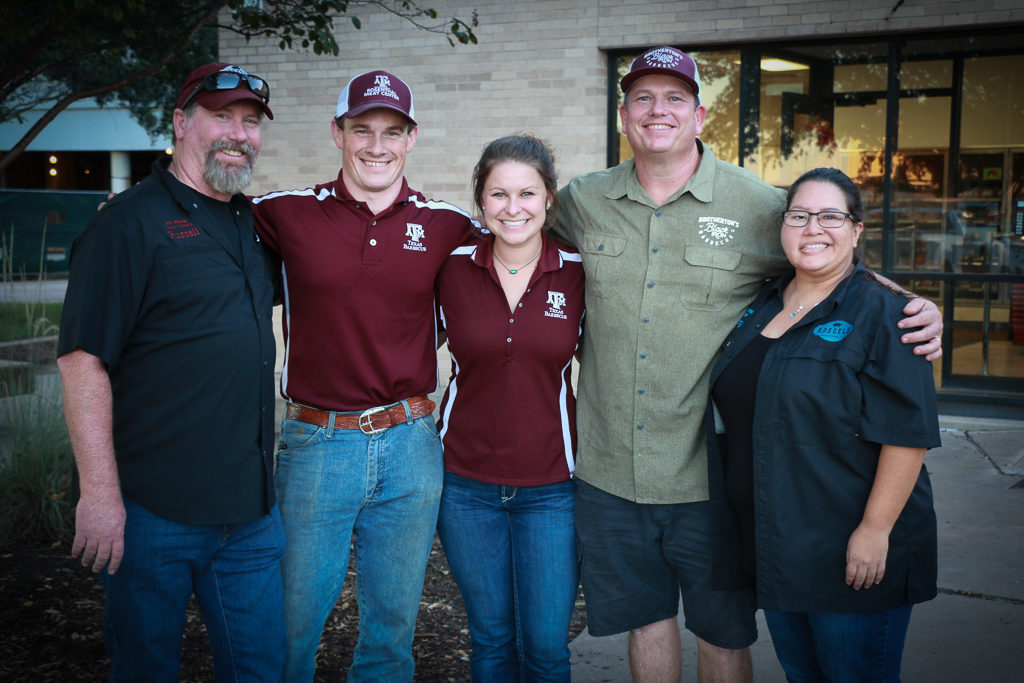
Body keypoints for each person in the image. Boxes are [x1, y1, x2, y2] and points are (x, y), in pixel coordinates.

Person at [551, 46, 944, 682]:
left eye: (675, 98)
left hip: (710, 474)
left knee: (722, 632)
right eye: (643, 98)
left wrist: (916, 306)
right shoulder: (580, 201)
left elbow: (827, 253)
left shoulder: (759, 205)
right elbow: (508, 232)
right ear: (623, 114)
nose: (659, 110)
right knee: (646, 623)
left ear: (700, 114)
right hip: (609, 472)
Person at [57, 63, 284, 681]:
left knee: (262, 669)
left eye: (249, 121)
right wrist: (100, 495)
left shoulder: (255, 224)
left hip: (251, 516)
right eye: (220, 116)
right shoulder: (125, 224)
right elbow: (82, 361)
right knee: (146, 671)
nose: (237, 133)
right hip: (152, 513)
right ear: (181, 123)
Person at [249, 70, 475, 681]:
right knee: (293, 619)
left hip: (411, 442)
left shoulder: (449, 226)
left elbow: (512, 261)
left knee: (392, 628)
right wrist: (130, 205)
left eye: (392, 131)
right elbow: (201, 215)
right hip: (318, 443)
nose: (377, 145)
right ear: (338, 133)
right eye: (362, 130)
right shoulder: (284, 214)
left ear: (412, 138)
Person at [708, 167, 939, 681]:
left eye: (831, 215)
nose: (813, 227)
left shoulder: (888, 313)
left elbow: (906, 436)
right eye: (799, 215)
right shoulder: (761, 303)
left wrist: (875, 531)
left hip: (849, 549)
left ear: (856, 230)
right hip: (778, 544)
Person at [434, 135, 584, 681]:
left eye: (527, 193)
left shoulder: (578, 271)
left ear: (549, 199)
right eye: (498, 194)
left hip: (550, 488)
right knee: (491, 642)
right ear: (481, 200)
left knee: (546, 648)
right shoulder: (449, 268)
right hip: (465, 486)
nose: (513, 207)